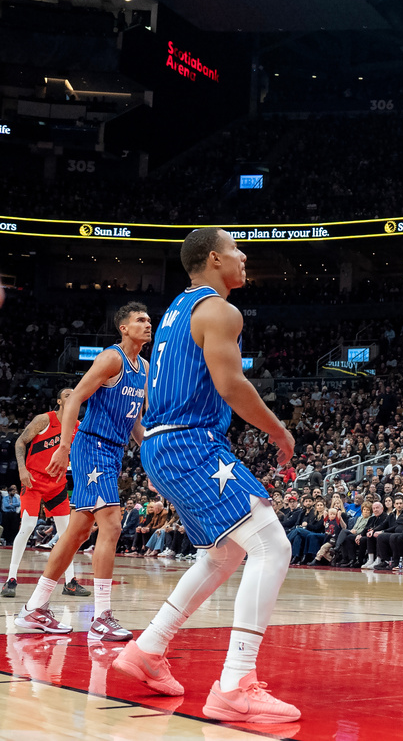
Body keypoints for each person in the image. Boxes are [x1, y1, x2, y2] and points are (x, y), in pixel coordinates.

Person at [111, 228, 299, 723]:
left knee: (224, 552)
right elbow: (232, 385)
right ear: (214, 258)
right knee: (272, 546)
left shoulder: (176, 309)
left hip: (163, 441)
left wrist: (158, 455)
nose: (244, 257)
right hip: (190, 442)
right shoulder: (220, 309)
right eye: (237, 249)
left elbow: (160, 390)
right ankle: (237, 682)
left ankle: (148, 648)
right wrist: (280, 433)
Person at [16, 303, 151, 640]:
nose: (147, 324)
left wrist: (149, 453)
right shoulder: (112, 358)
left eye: (149, 320)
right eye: (140, 320)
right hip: (92, 446)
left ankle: (35, 608)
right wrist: (63, 446)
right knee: (113, 525)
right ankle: (102, 615)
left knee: (76, 533)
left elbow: (134, 419)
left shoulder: (144, 368)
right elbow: (74, 398)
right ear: (123, 327)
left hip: (112, 451)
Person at [2, 388, 90, 599]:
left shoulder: (78, 427)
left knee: (68, 534)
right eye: (67, 395)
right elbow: (20, 441)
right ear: (59, 401)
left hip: (57, 484)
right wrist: (22, 469)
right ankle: (11, 579)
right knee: (29, 526)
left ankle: (70, 582)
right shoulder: (45, 420)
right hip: (33, 480)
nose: (72, 397)